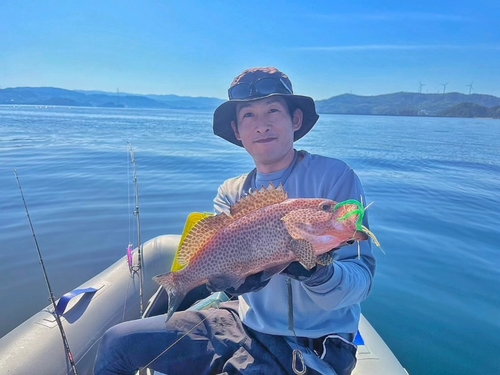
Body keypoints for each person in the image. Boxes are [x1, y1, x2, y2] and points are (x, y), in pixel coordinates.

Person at [94, 67, 376, 375]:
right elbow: (225, 256)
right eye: (249, 116)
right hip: (245, 323)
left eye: (273, 110)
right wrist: (227, 282)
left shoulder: (335, 179)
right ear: (237, 130)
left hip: (317, 343)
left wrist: (316, 273)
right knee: (117, 342)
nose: (262, 125)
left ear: (295, 120)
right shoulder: (231, 191)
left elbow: (360, 284)